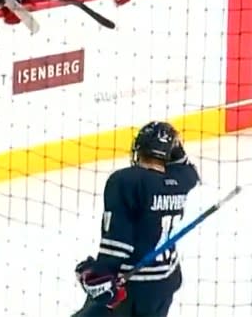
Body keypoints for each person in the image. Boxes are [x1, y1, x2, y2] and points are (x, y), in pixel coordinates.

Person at [72, 121, 200, 317]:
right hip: (165, 282)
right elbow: (187, 168)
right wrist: (171, 143)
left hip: (130, 286)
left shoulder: (125, 181)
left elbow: (118, 240)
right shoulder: (181, 181)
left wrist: (101, 274)